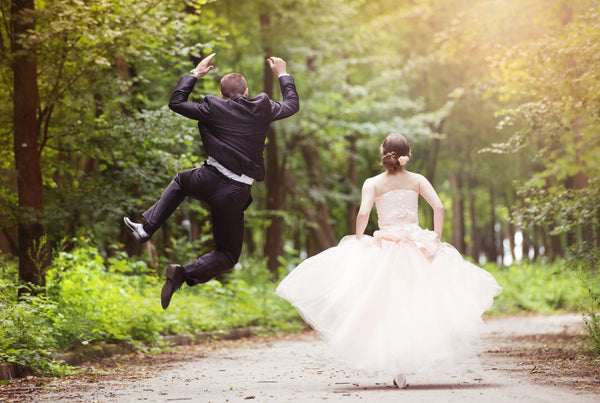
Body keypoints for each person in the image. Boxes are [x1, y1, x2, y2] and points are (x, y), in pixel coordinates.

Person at [276, 133, 502, 388]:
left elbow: (363, 212)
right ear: (408, 154)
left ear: (383, 152)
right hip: (415, 246)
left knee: (384, 306)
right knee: (418, 304)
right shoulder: (418, 180)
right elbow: (439, 207)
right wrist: (435, 239)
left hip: (386, 247)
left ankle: (398, 368)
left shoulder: (372, 183)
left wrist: (359, 238)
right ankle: (407, 363)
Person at [124, 53, 299, 309]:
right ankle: (183, 273)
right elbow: (292, 104)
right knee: (227, 255)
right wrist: (282, 73)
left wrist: (195, 73)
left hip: (208, 178)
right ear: (246, 91)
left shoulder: (212, 107)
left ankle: (146, 229)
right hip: (235, 191)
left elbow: (177, 103)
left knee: (182, 181)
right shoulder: (262, 107)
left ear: (222, 94)